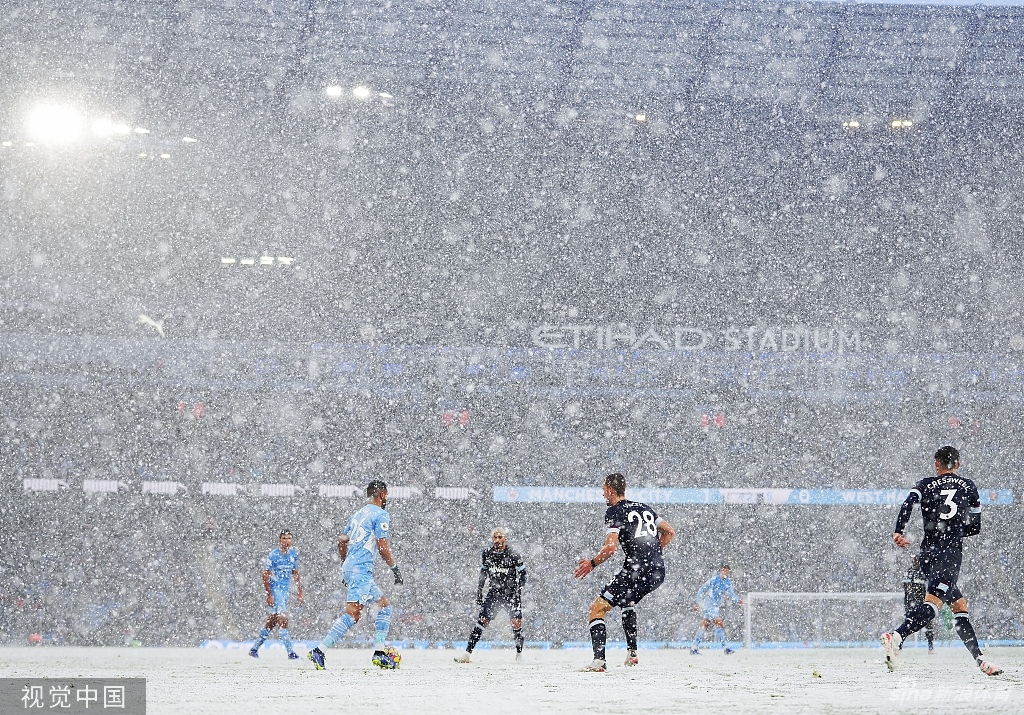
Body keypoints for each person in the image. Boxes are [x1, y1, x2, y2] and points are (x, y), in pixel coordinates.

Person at [881, 446, 1002, 675]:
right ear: (959, 464)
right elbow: (975, 527)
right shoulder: (969, 486)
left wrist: (899, 531)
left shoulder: (925, 484)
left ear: (937, 464)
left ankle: (981, 660)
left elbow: (908, 503)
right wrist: (955, 531)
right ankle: (895, 636)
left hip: (927, 555)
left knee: (959, 606)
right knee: (933, 605)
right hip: (949, 555)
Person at [573, 473, 676, 672]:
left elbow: (610, 548)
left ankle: (599, 662)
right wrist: (653, 554)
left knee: (597, 609)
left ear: (611, 490)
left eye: (604, 489)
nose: (603, 493)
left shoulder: (614, 511)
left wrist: (592, 563)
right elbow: (670, 531)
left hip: (635, 570)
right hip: (657, 571)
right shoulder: (644, 507)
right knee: (627, 600)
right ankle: (632, 653)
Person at [308, 480, 404, 670]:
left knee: (385, 607)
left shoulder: (357, 514)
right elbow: (383, 547)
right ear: (383, 495)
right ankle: (319, 650)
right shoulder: (381, 515)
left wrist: (346, 566)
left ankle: (379, 653)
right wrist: (395, 569)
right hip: (361, 569)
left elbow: (342, 542)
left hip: (353, 567)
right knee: (353, 615)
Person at [455, 527, 527, 664]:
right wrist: (479, 591)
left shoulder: (513, 554)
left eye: (500, 537)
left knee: (516, 623)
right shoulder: (487, 553)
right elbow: (483, 574)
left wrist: (519, 586)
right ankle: (467, 653)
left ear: (505, 539)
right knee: (482, 621)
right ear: (492, 539)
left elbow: (523, 574)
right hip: (494, 593)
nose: (497, 540)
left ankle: (519, 654)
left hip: (511, 594)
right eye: (495, 537)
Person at [250, 531, 303, 659]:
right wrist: (269, 594)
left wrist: (300, 591)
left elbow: (295, 572)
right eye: (284, 538)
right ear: (280, 540)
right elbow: (265, 575)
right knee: (283, 619)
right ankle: (290, 652)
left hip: (285, 591)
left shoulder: (292, 555)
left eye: (289, 538)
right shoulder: (273, 555)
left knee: (272, 622)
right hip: (276, 590)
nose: (287, 541)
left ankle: (254, 649)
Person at [690, 564, 742, 655]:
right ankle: (725, 647)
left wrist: (738, 600)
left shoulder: (728, 582)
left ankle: (694, 647)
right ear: (720, 571)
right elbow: (701, 589)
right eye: (724, 570)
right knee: (719, 623)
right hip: (709, 604)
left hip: (715, 606)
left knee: (705, 625)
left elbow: (732, 594)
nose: (725, 572)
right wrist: (698, 603)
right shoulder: (714, 580)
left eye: (727, 571)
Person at [901, 556, 934, 651]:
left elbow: (928, 587)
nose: (917, 562)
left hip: (922, 601)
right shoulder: (909, 572)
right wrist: (918, 589)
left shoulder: (925, 572)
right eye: (915, 560)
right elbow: (907, 587)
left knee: (928, 622)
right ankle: (900, 644)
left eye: (919, 561)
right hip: (910, 601)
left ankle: (930, 646)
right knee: (908, 622)